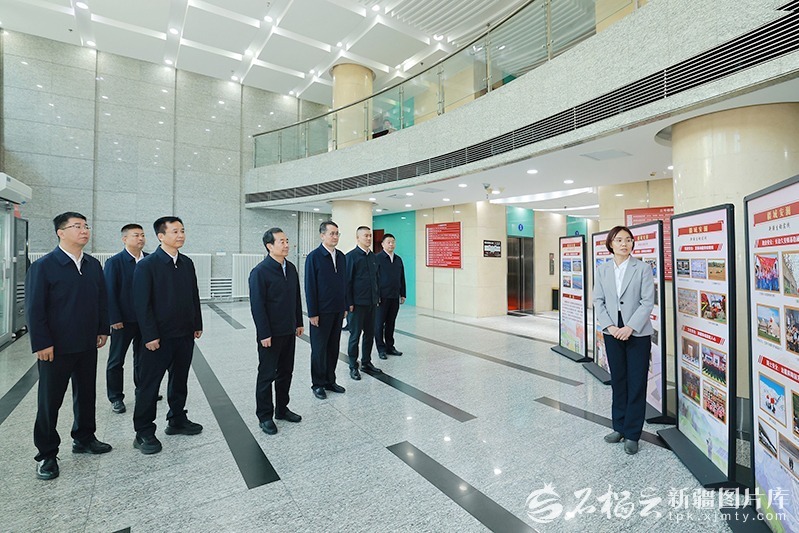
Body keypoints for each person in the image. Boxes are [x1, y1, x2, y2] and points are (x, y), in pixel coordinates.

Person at [25, 212, 111, 480]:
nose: (84, 230)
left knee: (86, 394)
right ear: (60, 232)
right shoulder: (44, 267)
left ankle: (84, 437)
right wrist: (42, 342)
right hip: (56, 347)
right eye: (77, 226)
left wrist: (102, 328)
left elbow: (101, 299)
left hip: (86, 343)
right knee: (50, 401)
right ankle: (46, 453)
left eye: (86, 226)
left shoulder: (93, 265)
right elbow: (34, 309)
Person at [132, 216, 203, 455]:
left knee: (179, 379)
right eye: (175, 231)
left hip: (184, 334)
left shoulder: (186, 263)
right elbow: (141, 304)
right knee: (149, 385)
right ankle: (143, 431)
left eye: (182, 230)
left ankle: (177, 419)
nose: (181, 235)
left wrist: (197, 323)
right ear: (161, 236)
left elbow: (193, 295)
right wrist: (149, 335)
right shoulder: (147, 265)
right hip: (158, 338)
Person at [593, 225, 654, 455]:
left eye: (628, 240)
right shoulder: (602, 270)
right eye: (619, 240)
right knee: (618, 381)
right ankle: (618, 427)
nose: (624, 244)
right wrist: (610, 326)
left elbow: (647, 302)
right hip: (612, 330)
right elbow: (598, 301)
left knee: (636, 382)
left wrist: (630, 327)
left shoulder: (643, 268)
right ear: (611, 243)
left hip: (637, 331)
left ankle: (632, 434)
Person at [249, 228, 304, 435]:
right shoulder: (260, 272)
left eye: (287, 240)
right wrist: (264, 333)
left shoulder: (290, 268)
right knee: (266, 375)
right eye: (281, 241)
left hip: (288, 330)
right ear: (269, 246)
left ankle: (282, 408)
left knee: (286, 372)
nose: (286, 245)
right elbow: (257, 306)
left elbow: (296, 298)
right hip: (270, 334)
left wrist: (298, 321)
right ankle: (265, 416)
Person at [104, 223, 147, 414]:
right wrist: (114, 318)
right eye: (136, 235)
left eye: (142, 235)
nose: (141, 238)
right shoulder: (114, 262)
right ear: (124, 239)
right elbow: (109, 292)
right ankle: (116, 397)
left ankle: (143, 390)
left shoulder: (149, 260)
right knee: (116, 360)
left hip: (145, 320)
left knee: (143, 358)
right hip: (123, 320)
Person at [305, 221, 347, 399]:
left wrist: (344, 306)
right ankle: (318, 384)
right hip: (321, 312)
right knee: (319, 349)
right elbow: (309, 286)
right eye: (332, 233)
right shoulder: (314, 257)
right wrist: (312, 312)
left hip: (337, 309)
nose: (335, 237)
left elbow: (344, 283)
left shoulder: (341, 256)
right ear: (322, 235)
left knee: (333, 347)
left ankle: (330, 380)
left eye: (337, 233)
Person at [346, 226, 383, 379]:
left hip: (372, 303)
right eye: (365, 236)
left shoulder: (373, 257)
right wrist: (349, 302)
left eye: (370, 235)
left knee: (370, 334)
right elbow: (347, 282)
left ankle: (366, 362)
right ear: (357, 238)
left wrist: (377, 297)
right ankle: (353, 366)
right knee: (355, 336)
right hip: (357, 304)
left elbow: (377, 279)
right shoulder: (351, 257)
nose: (368, 238)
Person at [375, 233, 406, 358]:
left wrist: (403, 293)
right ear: (383, 244)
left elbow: (402, 277)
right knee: (379, 324)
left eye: (393, 242)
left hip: (394, 296)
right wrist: (376, 295)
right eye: (388, 242)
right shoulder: (377, 258)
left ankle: (390, 346)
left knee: (391, 322)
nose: (391, 244)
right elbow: (374, 279)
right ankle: (381, 349)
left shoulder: (398, 259)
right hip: (381, 297)